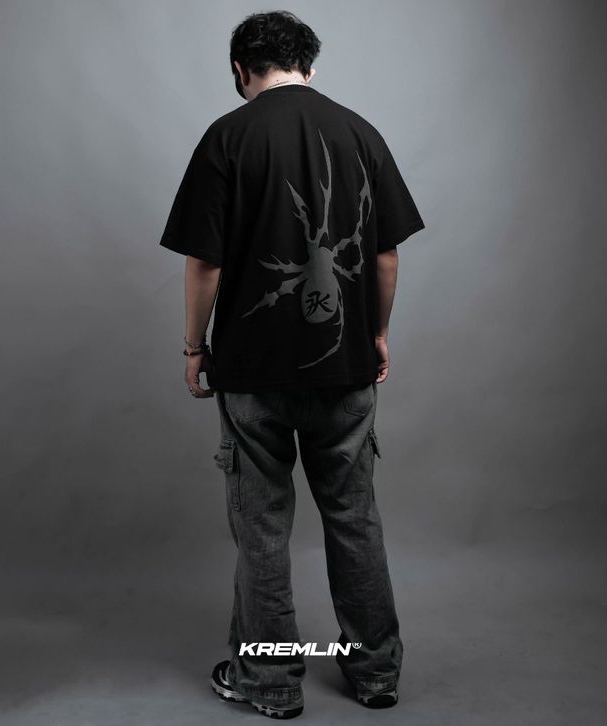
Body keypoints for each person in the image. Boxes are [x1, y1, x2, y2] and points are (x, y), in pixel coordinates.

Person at [159, 10, 425, 719]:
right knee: (354, 518)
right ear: (310, 65)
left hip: (253, 372)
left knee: (263, 530)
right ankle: (375, 674)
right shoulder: (361, 133)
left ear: (240, 69)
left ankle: (271, 683)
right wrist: (377, 333)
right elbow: (386, 255)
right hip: (345, 366)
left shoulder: (227, 137)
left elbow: (205, 264)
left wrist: (194, 347)